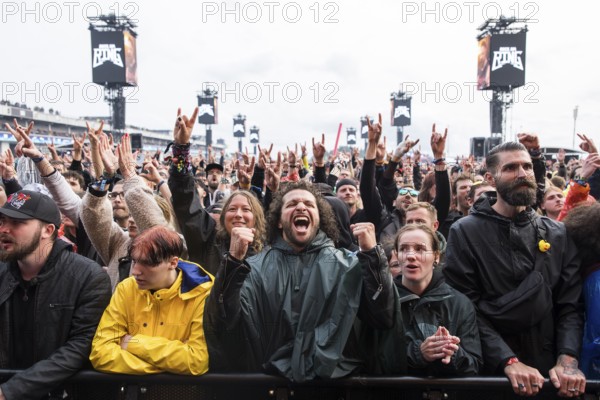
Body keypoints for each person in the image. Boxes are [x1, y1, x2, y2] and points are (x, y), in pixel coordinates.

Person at [204, 180, 393, 381]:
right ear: (278, 220)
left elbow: (382, 315)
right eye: (292, 204)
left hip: (332, 388)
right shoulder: (254, 268)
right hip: (271, 388)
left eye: (309, 204)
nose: (301, 206)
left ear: (319, 219)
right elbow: (223, 322)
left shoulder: (347, 265)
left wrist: (373, 258)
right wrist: (232, 263)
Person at [443, 141, 586, 397]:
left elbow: (570, 305)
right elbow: (465, 308)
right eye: (510, 168)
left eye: (527, 166)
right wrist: (508, 360)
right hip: (492, 374)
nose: (522, 173)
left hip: (550, 375)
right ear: (490, 177)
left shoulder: (558, 233)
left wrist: (567, 360)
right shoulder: (464, 232)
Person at [0, 190, 111, 400]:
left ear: (48, 230)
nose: (4, 229)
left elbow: (80, 347)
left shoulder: (87, 276)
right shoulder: (2, 271)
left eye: (16, 223)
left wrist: (10, 392)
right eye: (2, 221)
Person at [90, 226, 213, 375]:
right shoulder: (126, 289)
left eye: (147, 263)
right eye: (134, 261)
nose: (135, 271)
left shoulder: (202, 293)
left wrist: (131, 343)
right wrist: (169, 367)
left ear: (173, 263)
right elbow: (100, 354)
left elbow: (196, 361)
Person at [362, 225, 481, 376]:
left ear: (436, 256)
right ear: (397, 256)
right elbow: (372, 360)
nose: (411, 255)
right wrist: (419, 353)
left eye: (420, 249)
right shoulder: (382, 300)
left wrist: (450, 352)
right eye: (404, 249)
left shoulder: (459, 303)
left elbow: (474, 365)